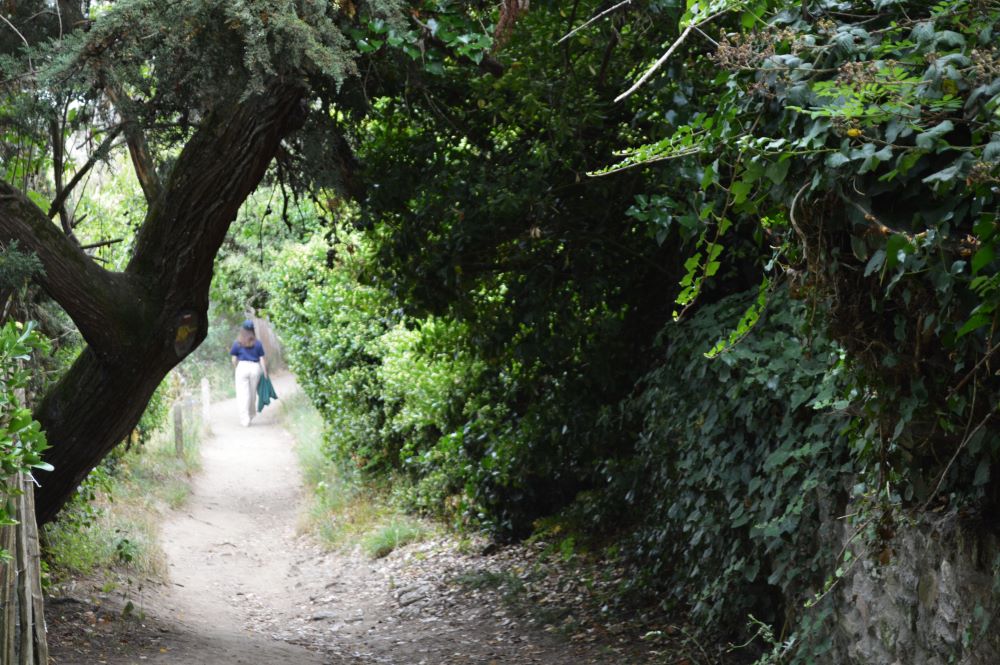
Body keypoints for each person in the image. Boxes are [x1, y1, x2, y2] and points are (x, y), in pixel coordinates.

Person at [230, 319, 268, 426]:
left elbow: (234, 359)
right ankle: (251, 414)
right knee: (252, 393)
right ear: (253, 330)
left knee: (242, 394)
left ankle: (244, 419)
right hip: (255, 368)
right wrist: (265, 373)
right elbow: (262, 359)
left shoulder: (238, 343)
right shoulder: (258, 343)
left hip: (242, 367)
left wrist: (236, 368)